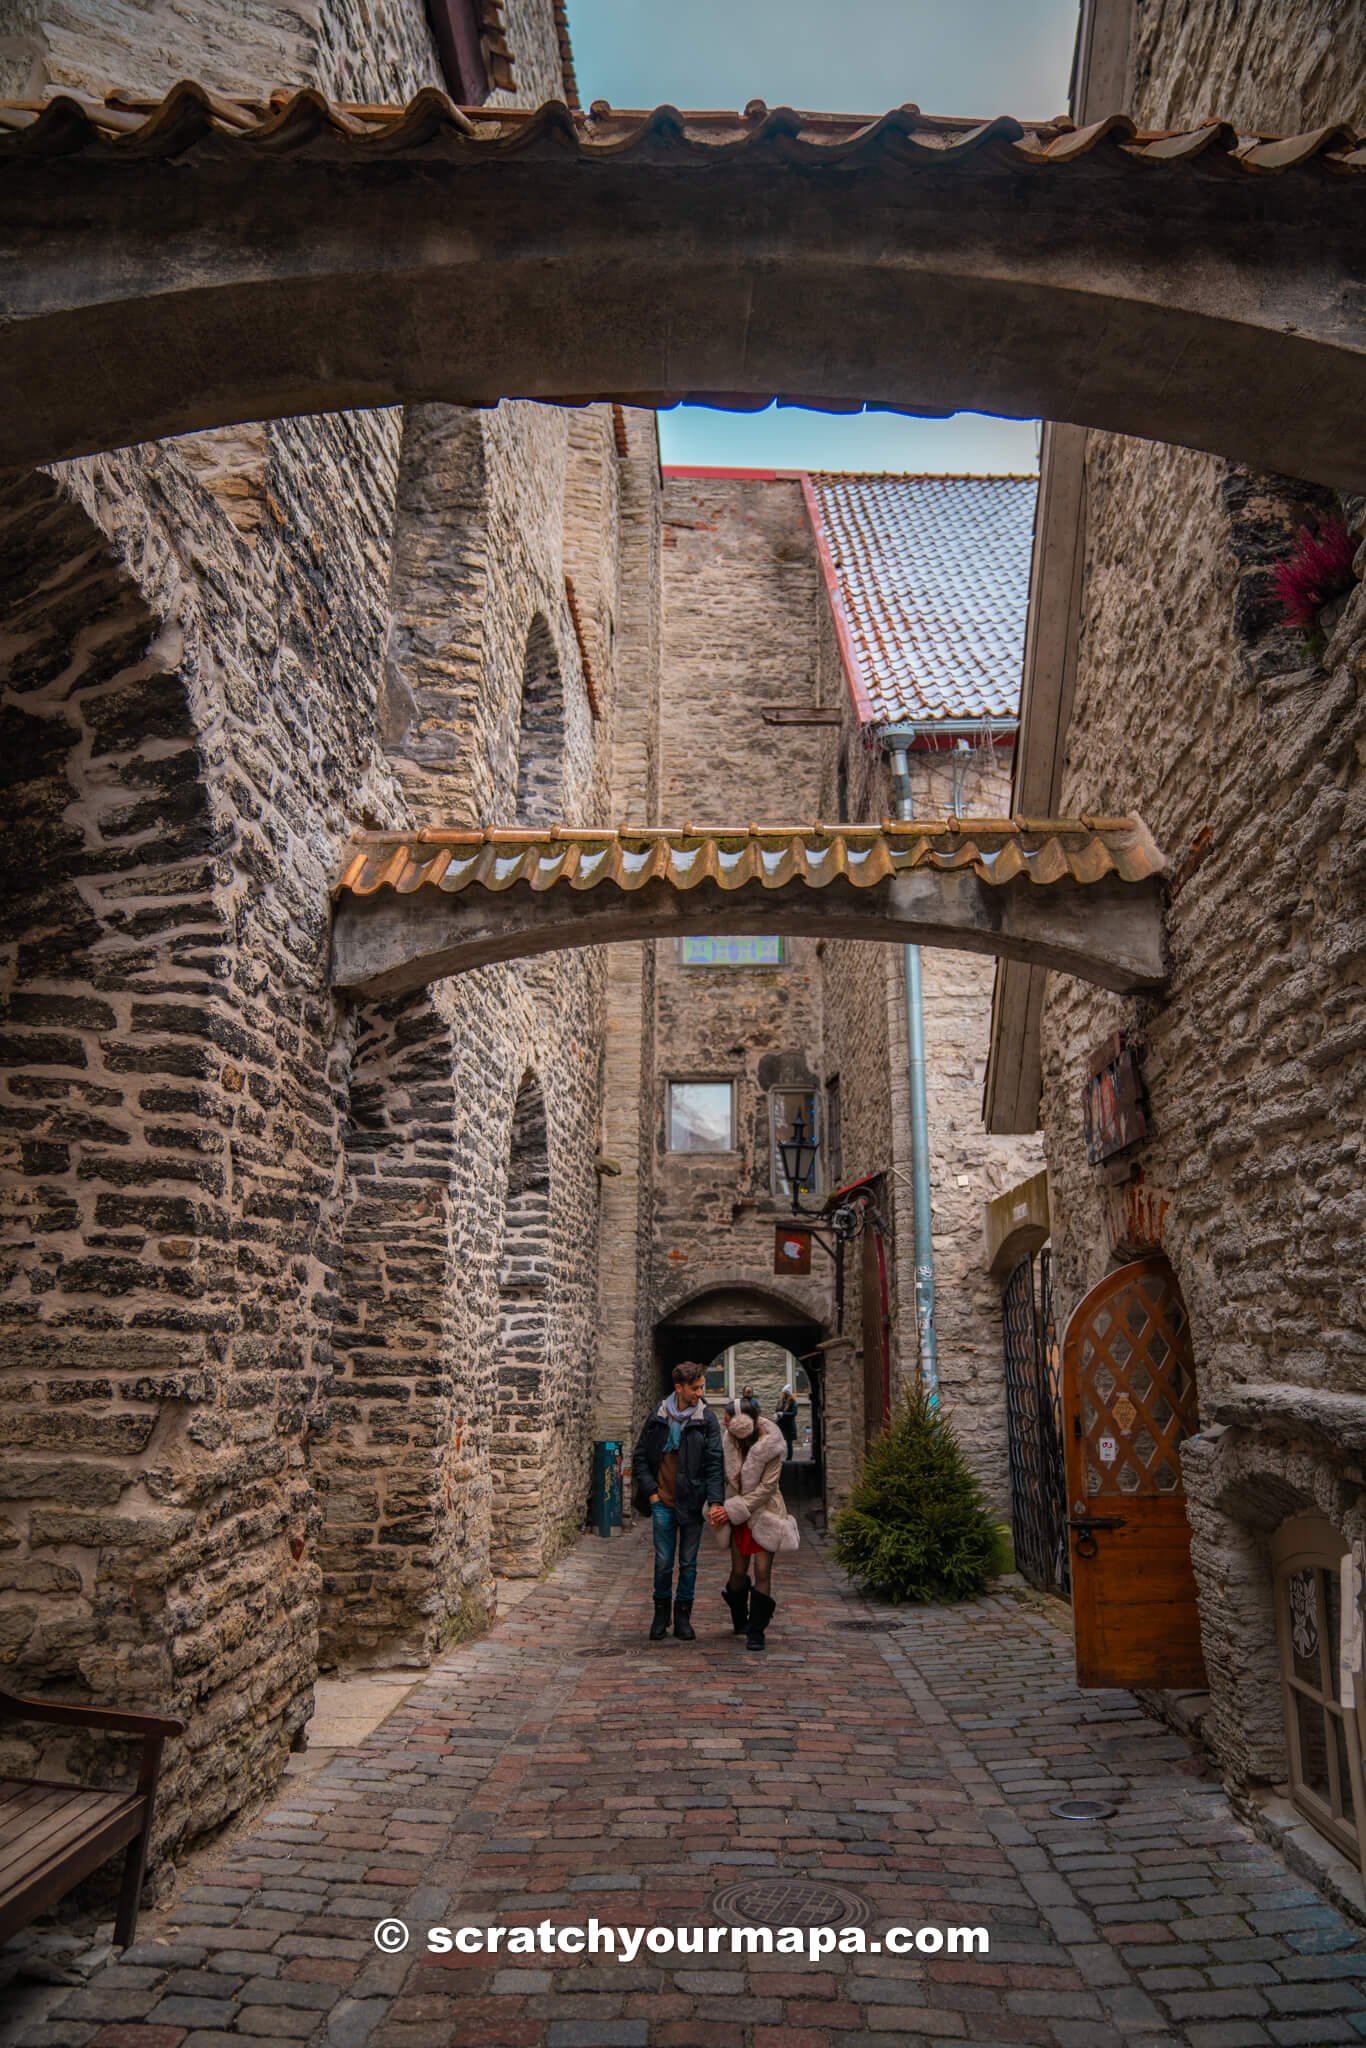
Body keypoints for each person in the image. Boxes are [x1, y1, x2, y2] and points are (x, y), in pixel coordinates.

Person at [631, 1361, 724, 1642]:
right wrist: (652, 1492)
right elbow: (640, 1457)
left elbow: (714, 1464)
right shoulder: (658, 1417)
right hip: (663, 1501)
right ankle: (661, 1616)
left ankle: (683, 1618)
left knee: (688, 1563)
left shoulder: (706, 1420)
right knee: (662, 1562)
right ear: (679, 1388)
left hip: (692, 1502)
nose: (699, 1393)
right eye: (695, 1388)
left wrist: (715, 1501)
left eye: (702, 1388)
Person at [707, 1397, 799, 1650]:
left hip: (764, 1512)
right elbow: (716, 1471)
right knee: (738, 1571)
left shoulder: (771, 1444)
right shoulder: (728, 1442)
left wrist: (735, 1509)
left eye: (728, 1417)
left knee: (761, 1570)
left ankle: (756, 1631)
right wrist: (719, 1504)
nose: (724, 1421)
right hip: (738, 1512)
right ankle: (739, 1616)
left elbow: (768, 1488)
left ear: (741, 1421)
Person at [776, 1387, 799, 1460]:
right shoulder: (780, 1401)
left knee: (789, 1444)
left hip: (789, 1426)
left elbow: (794, 1413)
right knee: (777, 1442)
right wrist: (776, 1414)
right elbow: (777, 1410)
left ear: (786, 1394)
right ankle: (777, 1458)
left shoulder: (793, 1402)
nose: (781, 1394)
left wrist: (783, 1413)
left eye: (783, 1393)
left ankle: (789, 1459)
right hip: (780, 1425)